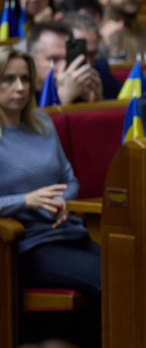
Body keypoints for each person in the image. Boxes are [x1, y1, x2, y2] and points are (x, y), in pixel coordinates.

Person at [0, 48, 101, 347]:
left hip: (68, 231)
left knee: (135, 267)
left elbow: (70, 179)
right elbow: (27, 200)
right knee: (111, 279)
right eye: (8, 79)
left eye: (25, 78)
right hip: (27, 245)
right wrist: (26, 201)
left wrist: (63, 201)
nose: (20, 88)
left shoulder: (42, 124)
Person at [26, 21, 103, 105]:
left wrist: (93, 103)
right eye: (54, 60)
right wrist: (62, 100)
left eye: (67, 59)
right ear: (31, 61)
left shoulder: (80, 91)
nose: (63, 67)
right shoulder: (21, 92)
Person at [60, 12, 122, 100]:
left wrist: (98, 101)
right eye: (80, 54)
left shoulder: (100, 69)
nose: (88, 64)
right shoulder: (50, 73)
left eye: (92, 55)